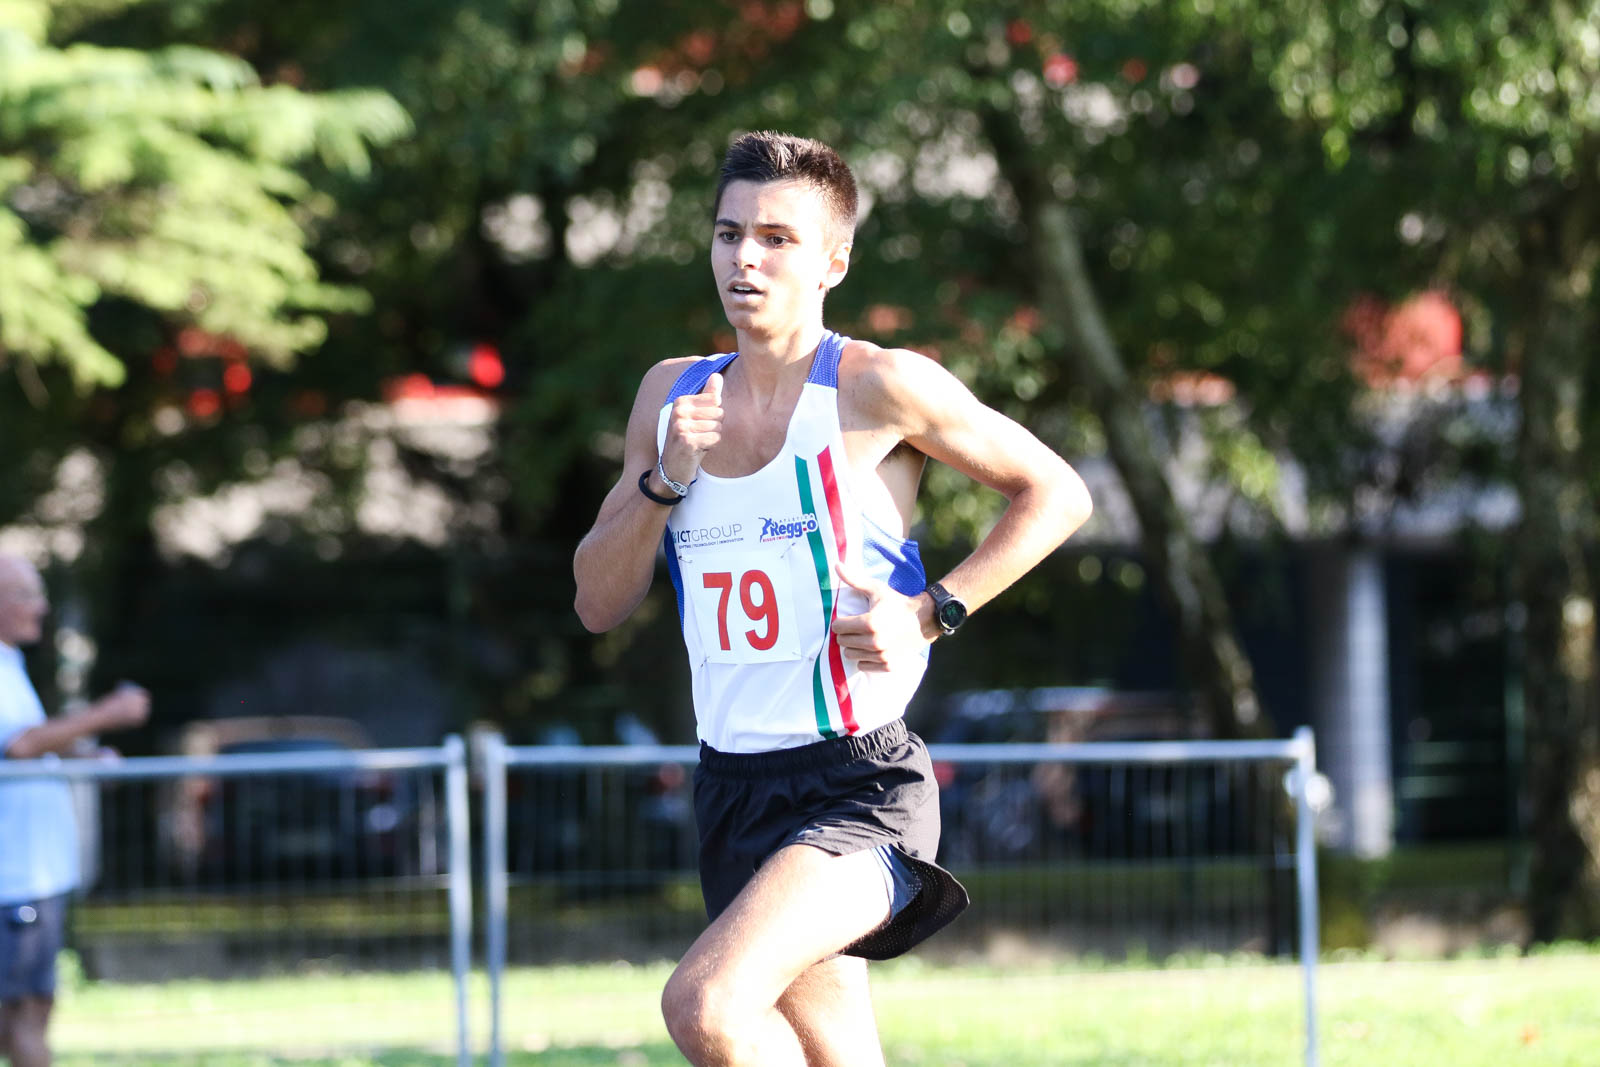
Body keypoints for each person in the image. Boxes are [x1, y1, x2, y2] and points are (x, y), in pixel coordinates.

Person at [573, 130, 1092, 1067]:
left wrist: (932, 612)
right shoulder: (670, 397)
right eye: (729, 234)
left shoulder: (878, 386)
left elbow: (1056, 493)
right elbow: (597, 602)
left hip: (858, 781)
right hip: (732, 786)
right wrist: (665, 477)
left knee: (707, 1006)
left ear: (833, 262)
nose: (745, 258)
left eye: (776, 238)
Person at [0, 554, 149, 1067]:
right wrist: (107, 714)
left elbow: (22, 746)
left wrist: (80, 754)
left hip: (33, 874)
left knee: (27, 1014)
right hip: (15, 878)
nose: (41, 607)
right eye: (26, 594)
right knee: (24, 1015)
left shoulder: (10, 664)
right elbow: (19, 746)